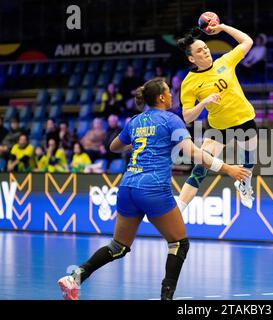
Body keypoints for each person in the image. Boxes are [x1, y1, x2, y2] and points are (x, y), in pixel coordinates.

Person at [57, 78, 250, 300]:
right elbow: (194, 153)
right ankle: (166, 298)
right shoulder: (171, 120)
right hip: (153, 188)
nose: (172, 95)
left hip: (128, 187)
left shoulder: (135, 120)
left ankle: (75, 277)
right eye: (169, 92)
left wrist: (142, 140)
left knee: (118, 246)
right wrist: (228, 168)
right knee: (179, 244)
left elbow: (113, 146)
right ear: (161, 97)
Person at [176, 24, 257, 212]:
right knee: (200, 168)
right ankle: (178, 210)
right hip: (218, 127)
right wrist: (203, 102)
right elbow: (187, 116)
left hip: (244, 118)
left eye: (205, 47)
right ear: (191, 58)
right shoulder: (188, 83)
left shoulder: (225, 62)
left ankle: (244, 185)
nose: (205, 51)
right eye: (199, 50)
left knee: (249, 161)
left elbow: (247, 41)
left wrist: (222, 27)